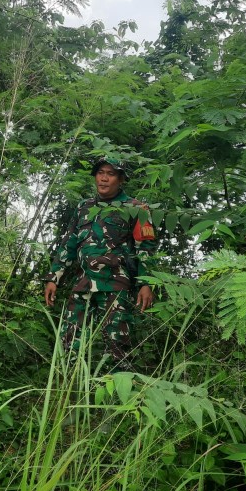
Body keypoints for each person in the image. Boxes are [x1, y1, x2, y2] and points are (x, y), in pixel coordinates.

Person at [44, 157, 156, 367]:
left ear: (121, 179)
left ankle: (118, 393)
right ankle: (68, 389)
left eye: (110, 174)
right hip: (83, 282)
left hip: (115, 285)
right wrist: (54, 277)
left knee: (117, 347)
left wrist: (145, 283)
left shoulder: (137, 208)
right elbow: (69, 243)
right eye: (100, 173)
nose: (103, 178)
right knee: (68, 342)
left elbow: (146, 248)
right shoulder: (83, 207)